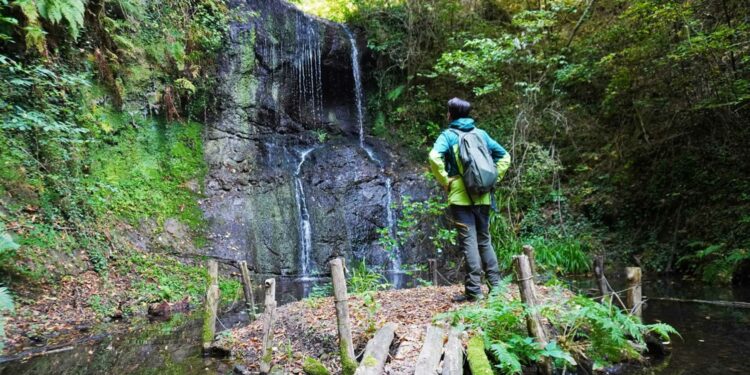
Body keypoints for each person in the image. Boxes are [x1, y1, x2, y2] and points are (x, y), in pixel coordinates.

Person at [428, 97, 511, 302]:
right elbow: (505, 156)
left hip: (460, 198)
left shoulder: (448, 135)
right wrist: (493, 178)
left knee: (469, 242)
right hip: (483, 196)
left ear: (450, 114)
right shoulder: (481, 134)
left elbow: (433, 157)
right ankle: (497, 288)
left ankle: (474, 291)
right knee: (484, 239)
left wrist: (446, 180)